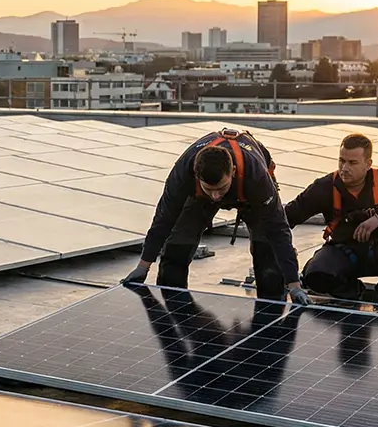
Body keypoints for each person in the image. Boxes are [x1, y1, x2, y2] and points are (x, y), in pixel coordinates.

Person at [120, 128, 308, 305]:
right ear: (196, 175)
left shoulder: (256, 176)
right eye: (210, 189)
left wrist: (294, 285)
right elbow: (163, 220)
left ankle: (270, 312)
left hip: (251, 198)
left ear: (233, 172)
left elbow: (278, 230)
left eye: (221, 188)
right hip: (199, 199)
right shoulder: (183, 173)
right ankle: (176, 308)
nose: (216, 196)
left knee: (268, 257)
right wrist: (143, 267)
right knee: (176, 248)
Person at [284, 133, 378, 307]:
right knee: (315, 275)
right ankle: (353, 292)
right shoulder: (325, 187)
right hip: (344, 253)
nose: (345, 168)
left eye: (353, 163)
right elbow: (285, 219)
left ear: (368, 164)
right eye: (342, 161)